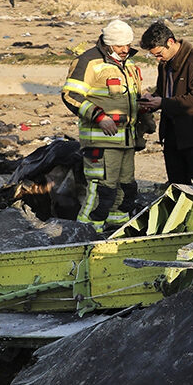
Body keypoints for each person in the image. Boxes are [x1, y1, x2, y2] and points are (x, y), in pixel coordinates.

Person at [61, 20, 145, 230]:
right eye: (119, 46)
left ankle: (117, 230)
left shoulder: (130, 64)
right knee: (102, 191)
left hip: (127, 141)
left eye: (127, 44)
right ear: (108, 44)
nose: (125, 50)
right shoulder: (88, 61)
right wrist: (100, 117)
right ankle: (86, 233)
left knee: (125, 190)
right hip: (101, 141)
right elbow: (70, 95)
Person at [138, 21, 193, 188]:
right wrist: (152, 100)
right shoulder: (164, 63)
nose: (158, 59)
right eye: (155, 56)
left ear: (170, 42)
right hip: (172, 132)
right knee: (176, 183)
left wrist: (163, 102)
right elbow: (163, 92)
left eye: (159, 54)